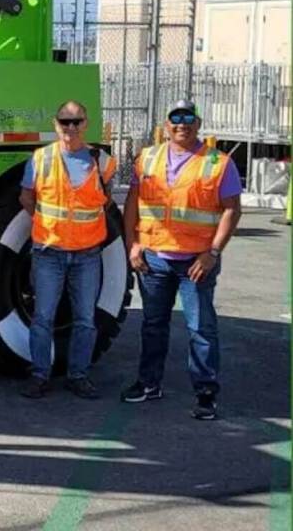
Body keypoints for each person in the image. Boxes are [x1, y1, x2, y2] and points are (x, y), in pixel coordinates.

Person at [121, 99, 241, 420]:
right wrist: (133, 245)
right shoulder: (147, 158)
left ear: (198, 124)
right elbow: (133, 202)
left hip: (196, 263)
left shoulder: (218, 163)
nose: (181, 124)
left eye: (188, 118)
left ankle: (205, 393)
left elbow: (232, 210)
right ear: (166, 125)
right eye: (176, 118)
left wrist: (212, 252)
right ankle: (149, 384)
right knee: (153, 325)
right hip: (154, 259)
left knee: (201, 328)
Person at [18, 100, 115, 400]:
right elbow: (26, 198)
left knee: (85, 319)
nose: (70, 127)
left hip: (87, 255)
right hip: (49, 253)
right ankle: (39, 376)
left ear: (86, 124)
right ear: (55, 124)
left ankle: (78, 376)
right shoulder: (40, 158)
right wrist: (47, 224)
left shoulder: (102, 161)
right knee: (43, 318)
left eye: (77, 121)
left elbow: (107, 200)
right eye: (65, 121)